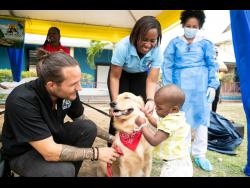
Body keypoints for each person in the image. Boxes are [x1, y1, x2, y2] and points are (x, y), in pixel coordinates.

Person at [1, 49, 120, 177]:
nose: (80, 88)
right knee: (63, 171)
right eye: (74, 84)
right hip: (23, 152)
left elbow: (81, 120)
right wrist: (97, 153)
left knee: (88, 127)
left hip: (51, 139)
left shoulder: (68, 92)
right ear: (52, 85)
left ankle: (71, 173)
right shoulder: (22, 100)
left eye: (79, 81)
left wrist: (112, 138)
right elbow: (49, 152)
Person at [161, 10, 219, 172]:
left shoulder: (206, 43)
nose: (191, 28)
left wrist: (212, 86)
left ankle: (200, 154)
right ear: (183, 25)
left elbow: (211, 65)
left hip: (201, 88)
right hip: (181, 88)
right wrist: (170, 87)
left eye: (195, 26)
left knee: (202, 122)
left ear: (199, 26)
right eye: (188, 26)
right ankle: (182, 152)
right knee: (182, 121)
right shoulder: (174, 43)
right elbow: (167, 65)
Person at [108, 16, 163, 143]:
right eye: (144, 39)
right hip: (121, 76)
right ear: (135, 35)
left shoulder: (157, 50)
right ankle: (113, 146)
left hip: (140, 75)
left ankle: (134, 144)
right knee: (118, 111)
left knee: (139, 110)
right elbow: (115, 77)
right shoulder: (122, 46)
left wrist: (150, 99)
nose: (148, 44)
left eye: (152, 40)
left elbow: (152, 80)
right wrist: (114, 102)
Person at [135, 84, 193, 177]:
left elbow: (154, 141)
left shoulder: (170, 122)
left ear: (174, 109)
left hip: (175, 168)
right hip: (182, 163)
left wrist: (142, 125)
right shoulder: (176, 117)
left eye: (159, 108)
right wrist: (148, 115)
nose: (156, 110)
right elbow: (160, 125)